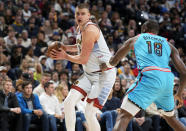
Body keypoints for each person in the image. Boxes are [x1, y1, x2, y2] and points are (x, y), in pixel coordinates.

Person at [101, 20, 186, 131]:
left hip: (149, 77)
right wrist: (179, 93)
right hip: (166, 81)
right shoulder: (169, 45)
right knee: (171, 119)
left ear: (144, 29)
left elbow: (115, 60)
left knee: (123, 116)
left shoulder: (137, 39)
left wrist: (105, 65)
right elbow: (184, 71)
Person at [49, 3, 116, 131]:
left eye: (83, 13)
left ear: (89, 16)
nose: (79, 16)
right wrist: (65, 47)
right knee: (68, 103)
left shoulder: (90, 30)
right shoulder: (80, 29)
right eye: (77, 13)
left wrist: (65, 56)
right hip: (90, 73)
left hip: (103, 75)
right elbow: (80, 47)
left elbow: (83, 58)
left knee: (89, 113)